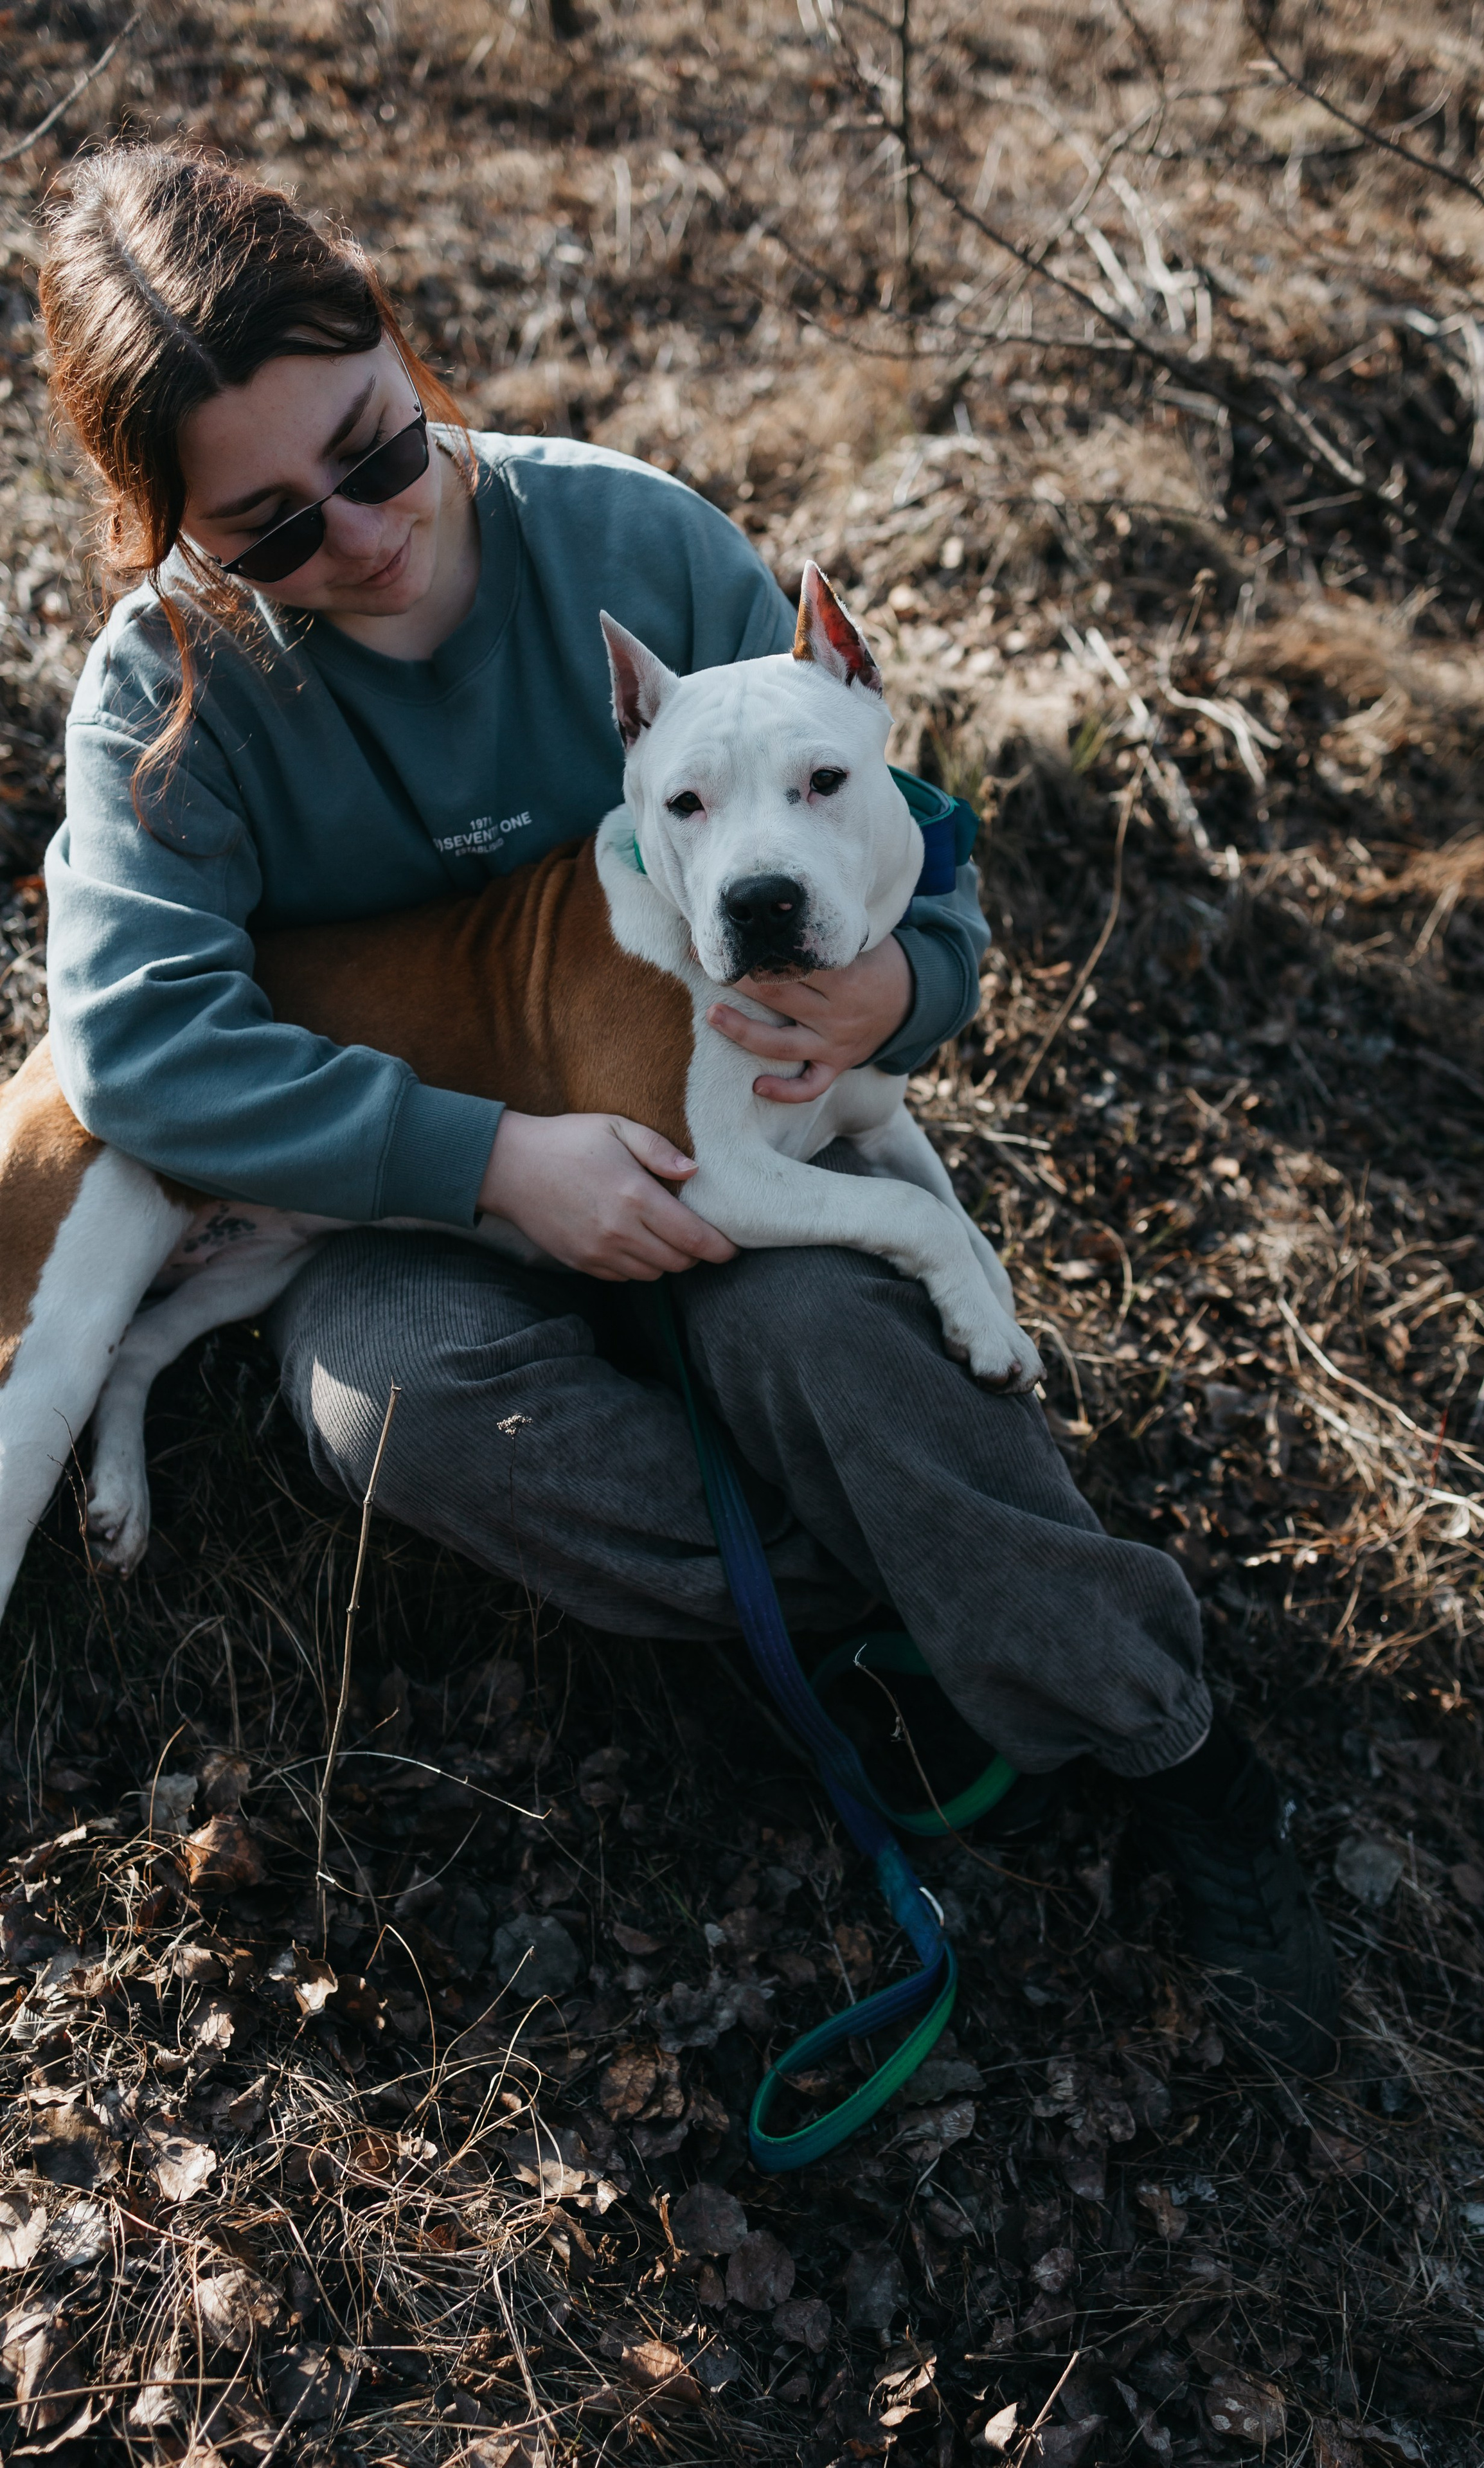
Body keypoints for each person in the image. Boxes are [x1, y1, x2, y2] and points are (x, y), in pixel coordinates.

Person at [36, 143, 1338, 2071]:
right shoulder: (170, 689)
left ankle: (1164, 1735)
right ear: (175, 538)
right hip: (407, 1186)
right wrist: (487, 1161)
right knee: (398, 1405)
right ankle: (878, 1634)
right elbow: (133, 1047)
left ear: (402, 347)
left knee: (837, 1331)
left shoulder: (635, 546)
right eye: (277, 531)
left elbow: (916, 864)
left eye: (380, 454)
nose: (368, 538)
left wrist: (899, 991)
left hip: (721, 1119)